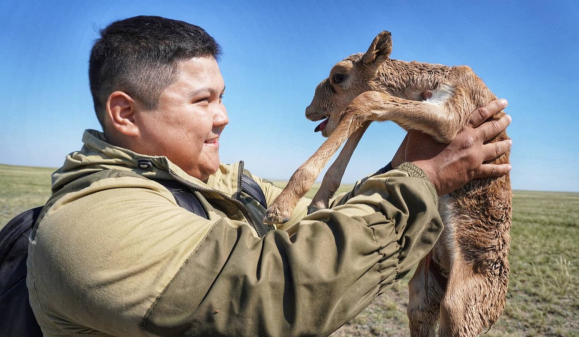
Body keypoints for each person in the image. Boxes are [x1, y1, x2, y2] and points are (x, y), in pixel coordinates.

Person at [26, 16, 512, 337]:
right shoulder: (92, 227)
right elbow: (277, 288)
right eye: (203, 101)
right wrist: (425, 179)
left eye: (222, 97)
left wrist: (418, 163)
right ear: (125, 114)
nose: (224, 117)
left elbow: (330, 222)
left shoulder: (227, 186)